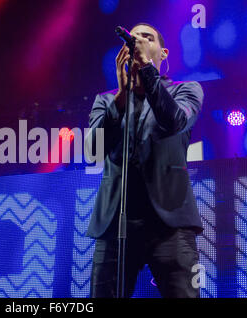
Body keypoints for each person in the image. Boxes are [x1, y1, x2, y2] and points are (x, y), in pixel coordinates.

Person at [86, 23, 204, 298]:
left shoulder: (185, 91)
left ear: (162, 54)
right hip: (115, 224)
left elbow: (174, 121)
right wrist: (121, 98)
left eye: (146, 38)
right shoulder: (106, 101)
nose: (137, 41)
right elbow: (93, 150)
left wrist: (147, 71)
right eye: (134, 37)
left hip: (171, 225)